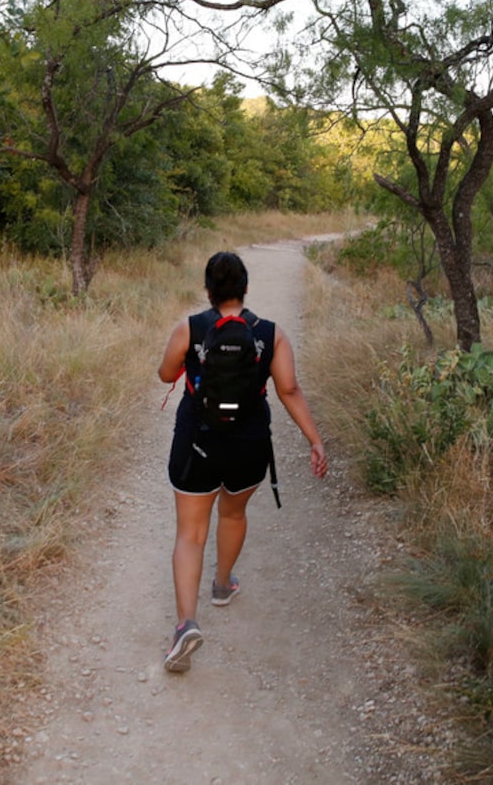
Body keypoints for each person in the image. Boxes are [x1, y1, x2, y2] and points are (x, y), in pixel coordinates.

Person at [155, 251, 329, 672]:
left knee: (190, 533)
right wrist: (315, 440)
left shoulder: (190, 328)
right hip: (249, 443)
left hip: (197, 441)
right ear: (246, 288)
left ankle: (185, 626)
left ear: (208, 290)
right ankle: (221, 585)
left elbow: (164, 375)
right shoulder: (271, 334)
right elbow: (288, 389)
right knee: (232, 514)